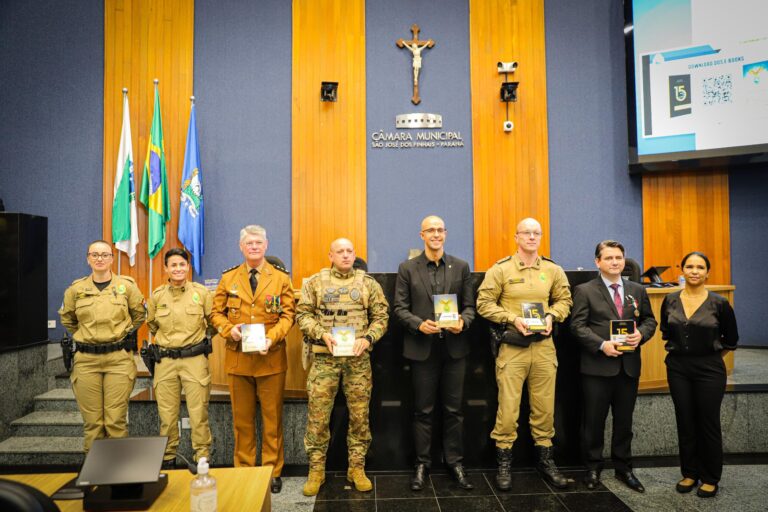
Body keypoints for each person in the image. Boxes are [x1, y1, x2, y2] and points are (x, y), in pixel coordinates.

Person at [476, 218, 572, 491]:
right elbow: (483, 304)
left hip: (544, 348)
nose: (531, 237)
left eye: (536, 233)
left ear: (540, 237)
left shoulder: (553, 270)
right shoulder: (501, 269)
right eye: (526, 233)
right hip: (513, 348)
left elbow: (565, 300)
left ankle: (545, 461)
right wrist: (511, 318)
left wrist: (553, 315)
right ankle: (504, 461)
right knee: (508, 410)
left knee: (544, 409)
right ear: (516, 237)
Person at [296, 238, 389, 496]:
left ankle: (356, 468)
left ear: (354, 254)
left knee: (360, 416)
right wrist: (321, 333)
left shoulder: (368, 284)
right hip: (325, 359)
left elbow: (382, 317)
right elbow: (302, 315)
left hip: (357, 362)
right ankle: (316, 470)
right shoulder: (315, 282)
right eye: (340, 251)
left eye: (350, 251)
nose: (346, 255)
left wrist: (368, 338)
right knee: (318, 417)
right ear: (331, 255)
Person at [210, 225, 295, 494]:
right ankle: (244, 472)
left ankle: (272, 472)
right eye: (249, 243)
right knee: (242, 421)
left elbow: (288, 316)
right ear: (241, 247)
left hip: (270, 359)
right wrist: (228, 329)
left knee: (272, 421)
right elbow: (216, 314)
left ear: (266, 245)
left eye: (258, 242)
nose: (254, 247)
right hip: (239, 360)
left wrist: (273, 338)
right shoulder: (229, 278)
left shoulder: (280, 278)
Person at [393, 215, 475, 491]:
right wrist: (419, 324)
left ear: (446, 234)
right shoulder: (407, 268)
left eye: (440, 230)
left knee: (454, 410)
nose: (436, 234)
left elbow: (470, 307)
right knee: (423, 411)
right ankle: (422, 464)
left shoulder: (461, 267)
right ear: (422, 235)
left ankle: (455, 462)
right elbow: (399, 309)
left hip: (454, 350)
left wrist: (463, 321)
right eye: (431, 230)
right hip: (422, 350)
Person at [570, 240, 657, 492]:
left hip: (628, 367)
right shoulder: (585, 291)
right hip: (597, 367)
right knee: (594, 422)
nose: (615, 262)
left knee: (624, 422)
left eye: (618, 257)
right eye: (608, 258)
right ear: (598, 262)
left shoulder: (637, 290)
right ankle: (593, 468)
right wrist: (601, 345)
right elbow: (577, 326)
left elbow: (650, 320)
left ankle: (624, 468)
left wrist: (641, 333)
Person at [660, 251, 738, 498]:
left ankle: (710, 476)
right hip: (677, 368)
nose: (694, 271)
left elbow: (731, 340)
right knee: (685, 421)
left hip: (709, 369)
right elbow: (666, 332)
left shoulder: (720, 304)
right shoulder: (670, 300)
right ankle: (690, 473)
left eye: (700, 267)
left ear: (707, 272)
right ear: (681, 270)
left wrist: (709, 358)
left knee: (708, 422)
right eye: (689, 266)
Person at [59, 240, 145, 452]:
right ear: (88, 259)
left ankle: (118, 478)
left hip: (118, 359)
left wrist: (121, 333)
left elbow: (139, 316)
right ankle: (94, 478)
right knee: (93, 424)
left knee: (115, 421)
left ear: (112, 259)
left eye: (105, 255)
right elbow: (68, 319)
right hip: (86, 361)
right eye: (95, 255)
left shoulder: (127, 287)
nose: (100, 259)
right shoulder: (76, 289)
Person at [146, 248, 213, 468]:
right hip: (165, 361)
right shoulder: (157, 296)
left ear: (188, 267)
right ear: (166, 268)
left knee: (198, 414)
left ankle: (202, 458)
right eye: (173, 265)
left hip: (194, 359)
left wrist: (198, 341)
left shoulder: (201, 293)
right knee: (167, 415)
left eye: (182, 264)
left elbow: (213, 323)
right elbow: (152, 325)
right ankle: (168, 459)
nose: (178, 269)